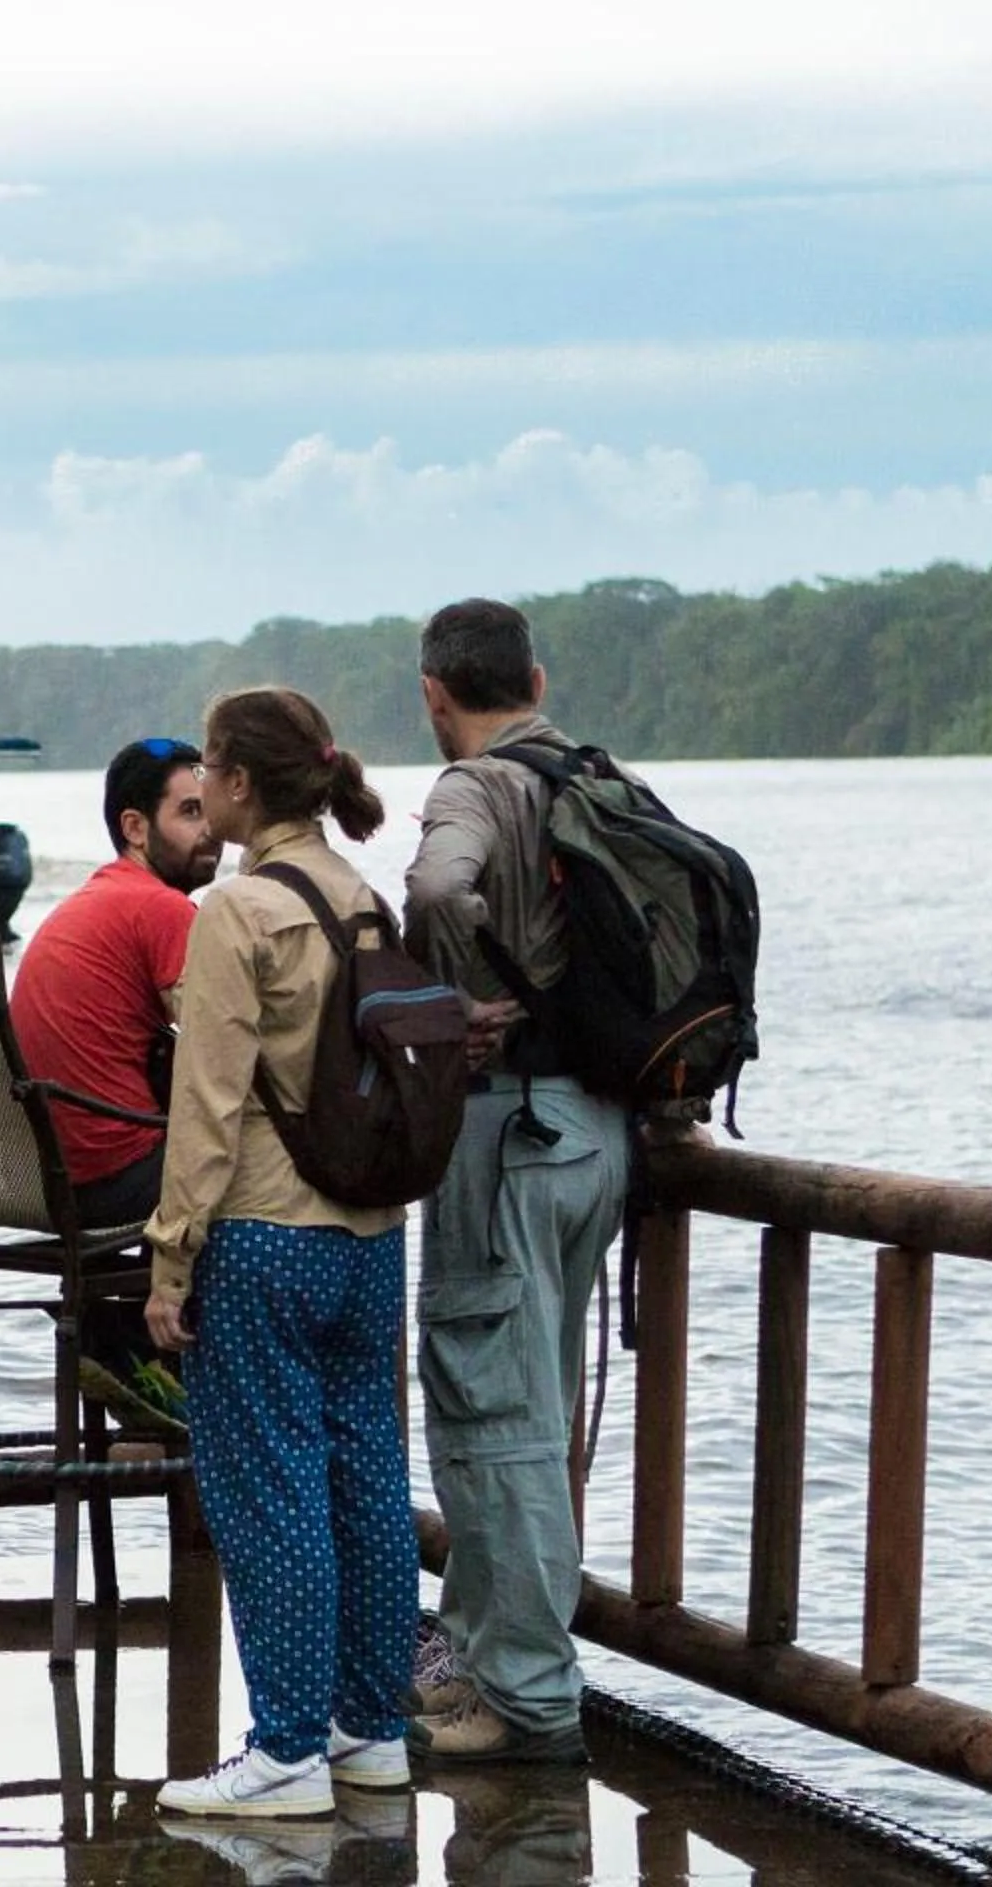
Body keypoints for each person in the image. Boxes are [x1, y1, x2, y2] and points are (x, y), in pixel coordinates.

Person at [144, 687, 420, 1819]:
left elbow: (205, 1108)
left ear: (242, 783)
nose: (200, 788)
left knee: (270, 1494)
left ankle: (287, 1749)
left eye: (207, 767)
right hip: (369, 1237)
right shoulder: (365, 895)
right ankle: (373, 1730)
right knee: (369, 1483)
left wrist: (170, 1262)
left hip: (262, 1234)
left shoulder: (237, 908)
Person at [402, 599, 631, 1764]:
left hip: (507, 1133)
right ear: (535, 676)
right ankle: (491, 1662)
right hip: (599, 1134)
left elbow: (442, 892)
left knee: (499, 1426)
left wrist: (450, 1009)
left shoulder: (475, 788)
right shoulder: (600, 775)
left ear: (435, 693)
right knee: (534, 1405)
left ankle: (530, 1700)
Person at [10, 736, 223, 1228]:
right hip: (118, 1174)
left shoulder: (98, 897)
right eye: (191, 813)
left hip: (43, 1178)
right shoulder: (162, 908)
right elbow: (220, 1047)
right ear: (135, 827)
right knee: (273, 1161)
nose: (212, 830)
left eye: (211, 810)